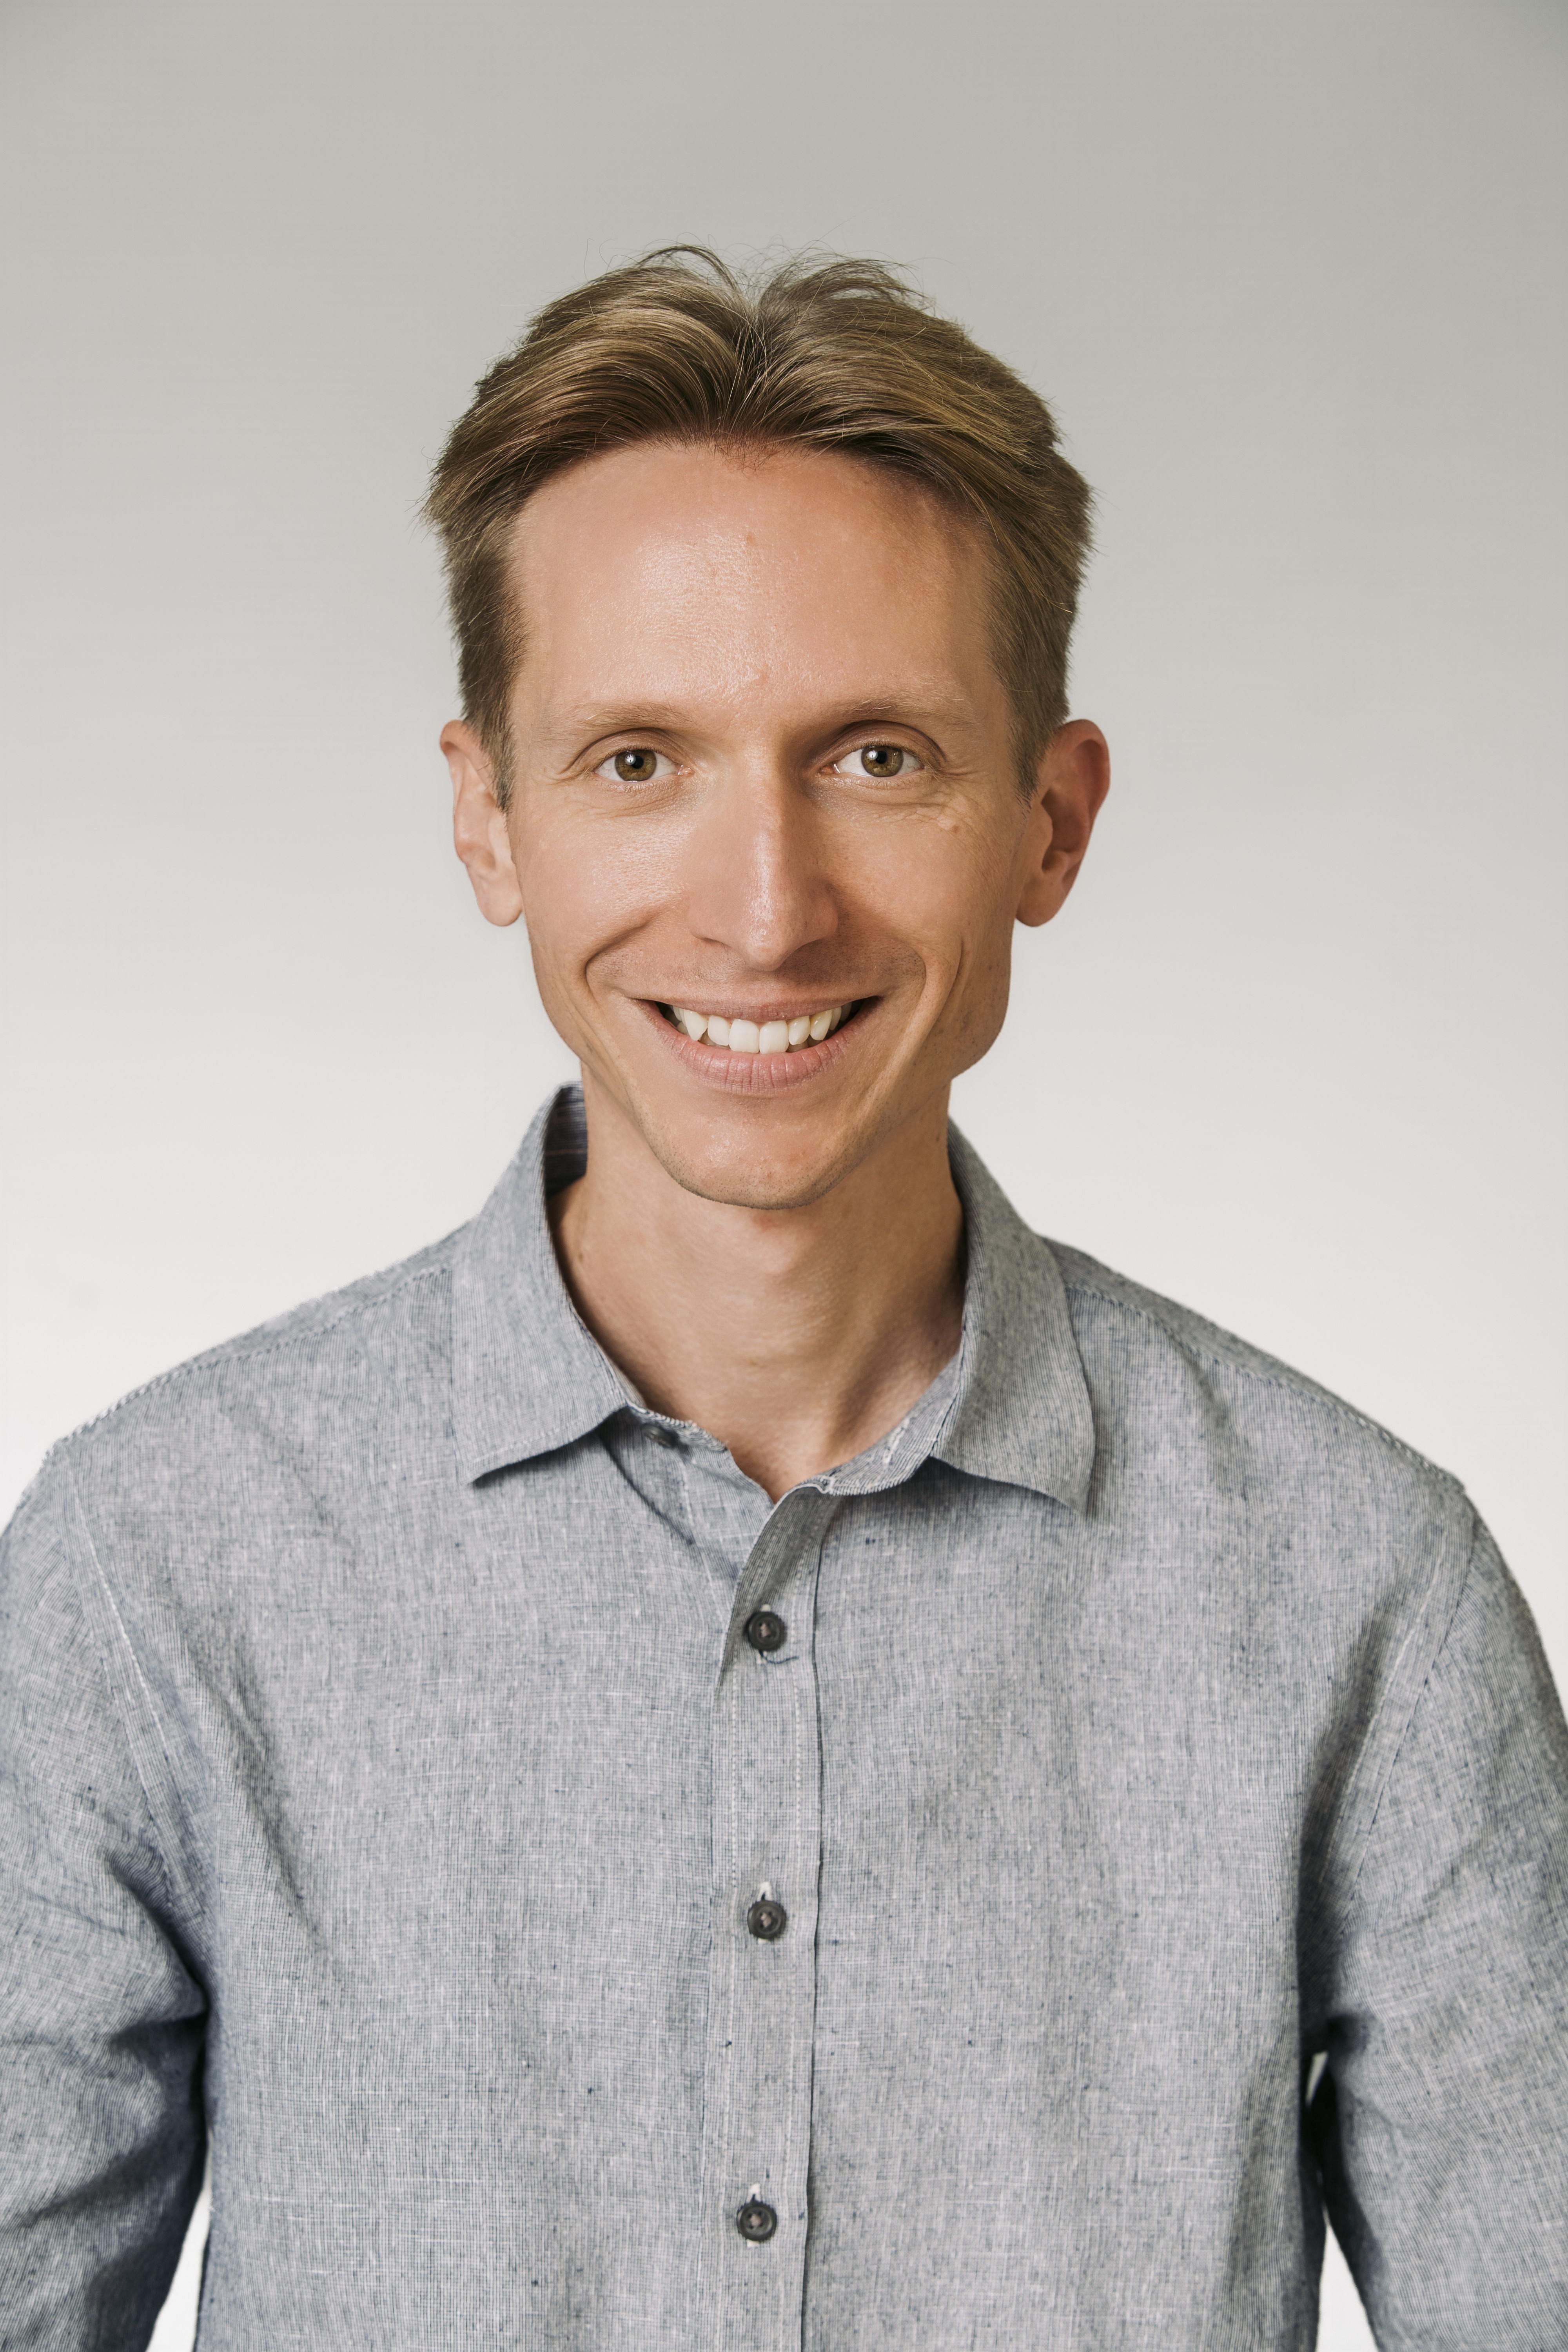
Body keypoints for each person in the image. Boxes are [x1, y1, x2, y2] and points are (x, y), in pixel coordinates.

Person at [2, 250, 1563, 2352]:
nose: (763, 912)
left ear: (1051, 823)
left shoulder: (1361, 1588)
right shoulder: (152, 1565)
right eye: (639, 759)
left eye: (878, 757)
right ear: (489, 817)